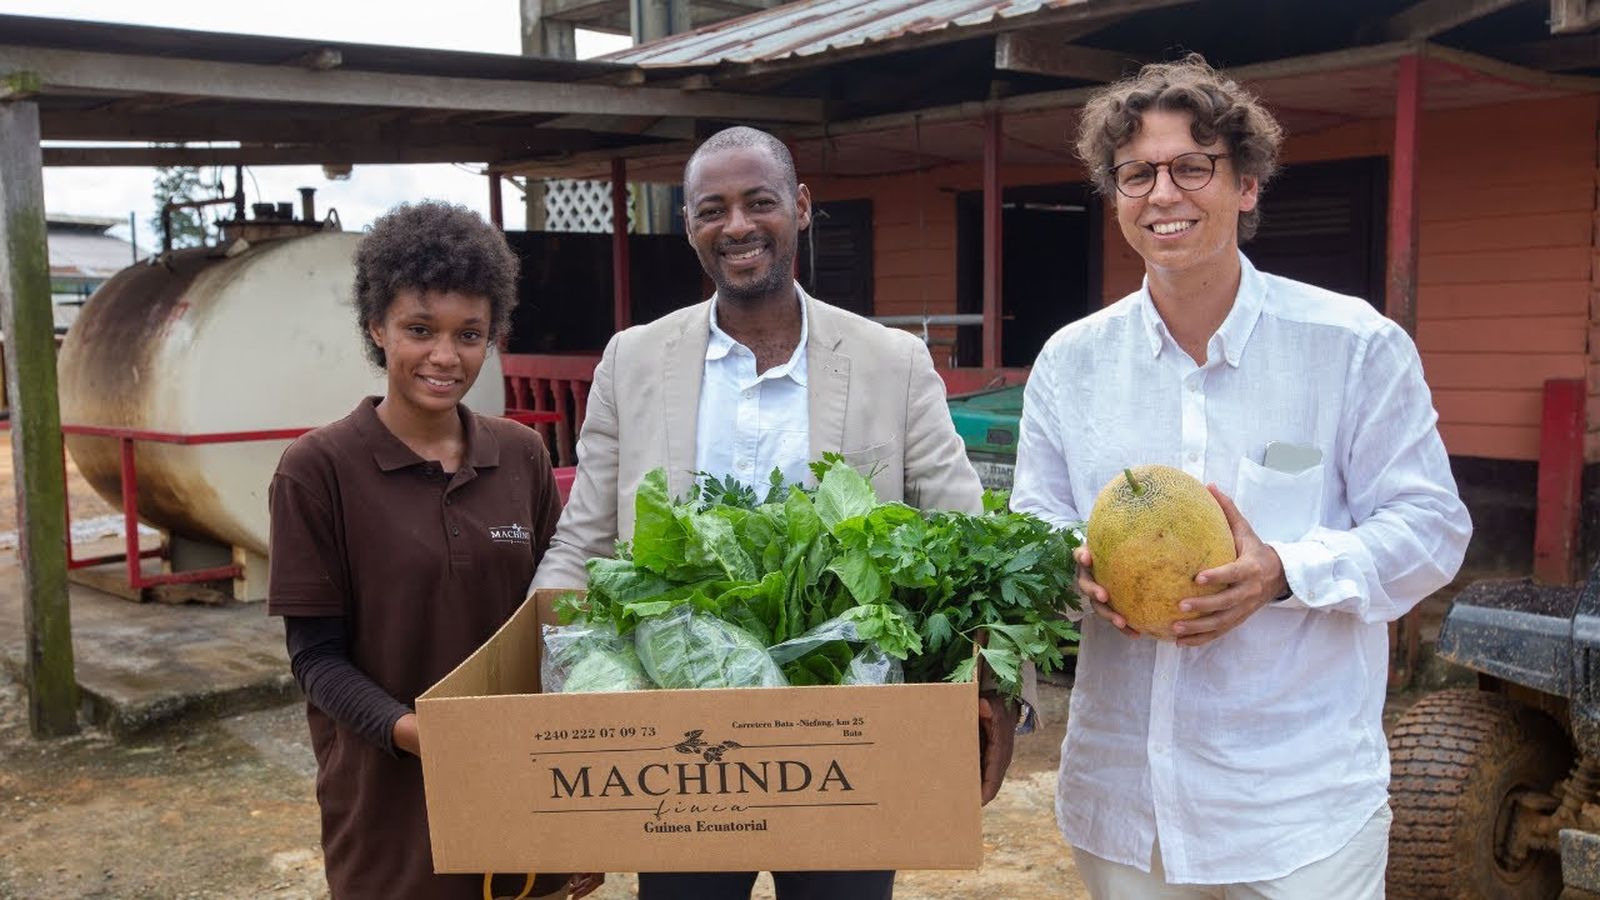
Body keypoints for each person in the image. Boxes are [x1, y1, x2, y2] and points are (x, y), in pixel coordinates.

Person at [1011, 55, 1472, 897]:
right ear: (1115, 196)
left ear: (1247, 184)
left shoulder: (1352, 347)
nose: (1163, 194)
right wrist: (1073, 562)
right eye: (1137, 174)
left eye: (1193, 167)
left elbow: (1432, 530)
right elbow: (1034, 520)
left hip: (1297, 810)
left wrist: (1285, 573)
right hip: (1125, 809)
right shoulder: (1071, 363)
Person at [531, 125, 1025, 900]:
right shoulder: (633, 361)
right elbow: (581, 542)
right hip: (678, 746)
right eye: (711, 209)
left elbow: (967, 540)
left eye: (758, 202)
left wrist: (994, 688)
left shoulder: (888, 362)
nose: (736, 226)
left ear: (798, 208)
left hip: (847, 734)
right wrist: (554, 713)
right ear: (688, 225)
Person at [266, 201, 602, 900]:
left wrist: (578, 816)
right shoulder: (317, 469)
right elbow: (317, 659)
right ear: (376, 327)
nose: (446, 356)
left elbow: (557, 632)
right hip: (388, 806)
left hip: (519, 788)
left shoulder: (521, 455)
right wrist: (418, 733)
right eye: (420, 329)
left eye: (469, 334)